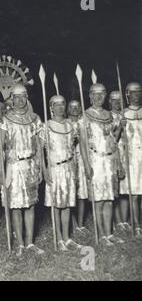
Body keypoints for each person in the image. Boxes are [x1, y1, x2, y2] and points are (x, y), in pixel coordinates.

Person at [0, 84, 44, 256]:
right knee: (16, 206)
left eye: (24, 96)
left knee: (30, 205)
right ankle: (21, 244)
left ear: (27, 97)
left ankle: (30, 242)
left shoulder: (35, 118)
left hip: (30, 165)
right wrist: (0, 172)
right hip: (13, 167)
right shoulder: (5, 119)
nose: (21, 99)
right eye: (17, 97)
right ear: (12, 99)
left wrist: (40, 168)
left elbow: (39, 146)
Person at [79, 83, 125, 246]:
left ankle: (109, 233)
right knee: (98, 199)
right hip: (96, 161)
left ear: (105, 96)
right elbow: (83, 144)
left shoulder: (110, 116)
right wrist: (86, 165)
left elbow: (114, 141)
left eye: (101, 94)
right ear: (90, 96)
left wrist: (118, 163)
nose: (98, 97)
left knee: (109, 198)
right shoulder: (84, 117)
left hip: (110, 160)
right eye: (95, 94)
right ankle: (101, 235)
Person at [44, 96, 82, 251]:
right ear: (51, 107)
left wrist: (74, 167)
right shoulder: (45, 126)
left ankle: (67, 238)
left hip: (68, 167)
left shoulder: (70, 125)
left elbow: (73, 148)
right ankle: (58, 238)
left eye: (62, 104)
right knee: (56, 204)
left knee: (67, 203)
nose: (60, 108)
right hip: (54, 168)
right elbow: (42, 150)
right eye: (56, 105)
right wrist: (45, 170)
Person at [119, 82, 142, 238]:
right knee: (134, 193)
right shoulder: (123, 114)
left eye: (139, 92)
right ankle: (137, 225)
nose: (137, 95)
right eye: (133, 92)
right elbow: (118, 141)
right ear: (127, 95)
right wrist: (120, 127)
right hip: (132, 158)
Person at [108, 91, 130, 232]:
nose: (117, 103)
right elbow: (111, 139)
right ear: (109, 101)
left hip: (128, 153)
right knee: (115, 188)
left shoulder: (125, 114)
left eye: (119, 100)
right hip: (114, 154)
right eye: (114, 100)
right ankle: (116, 220)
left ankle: (125, 219)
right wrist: (120, 126)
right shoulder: (108, 116)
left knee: (126, 187)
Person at [68, 100, 89, 234]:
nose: (75, 109)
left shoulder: (85, 122)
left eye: (77, 106)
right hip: (69, 160)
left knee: (82, 192)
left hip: (82, 160)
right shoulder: (65, 123)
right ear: (67, 109)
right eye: (72, 107)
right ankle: (72, 222)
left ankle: (81, 223)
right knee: (71, 192)